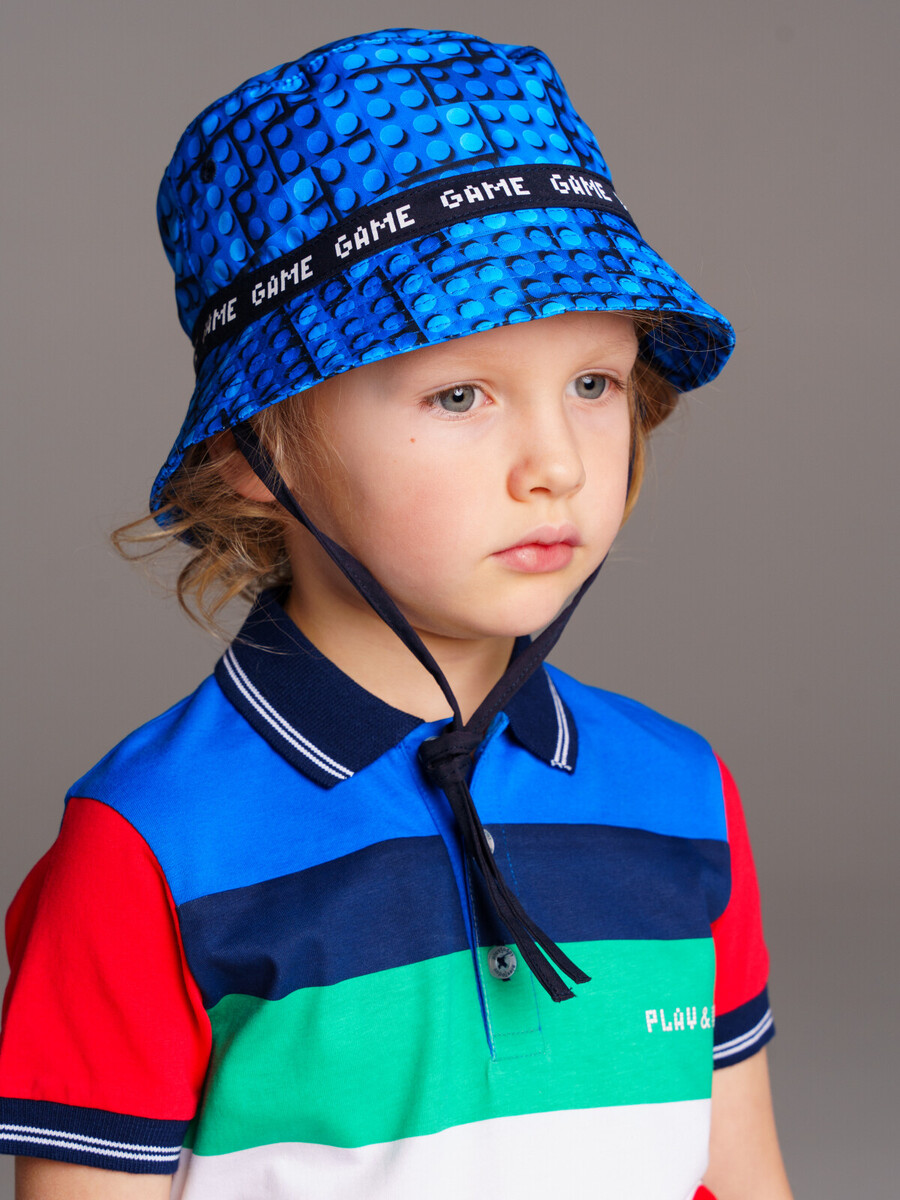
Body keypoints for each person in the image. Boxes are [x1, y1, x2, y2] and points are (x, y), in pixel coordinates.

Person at [0, 26, 792, 1200]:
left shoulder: (681, 792)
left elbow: (741, 1169)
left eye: (593, 383)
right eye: (461, 394)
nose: (557, 465)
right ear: (254, 453)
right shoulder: (152, 846)